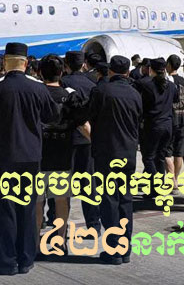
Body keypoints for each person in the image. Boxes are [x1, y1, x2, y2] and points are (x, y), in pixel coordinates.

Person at [0, 42, 60, 275]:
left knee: (5, 207)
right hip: (30, 155)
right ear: (26, 63)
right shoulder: (38, 89)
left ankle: (7, 260)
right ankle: (26, 258)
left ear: (5, 63)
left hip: (4, 155)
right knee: (27, 206)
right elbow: (52, 116)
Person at [89, 55, 142, 265]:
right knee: (125, 199)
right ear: (127, 72)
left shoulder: (101, 91)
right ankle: (125, 248)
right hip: (128, 152)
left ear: (110, 70)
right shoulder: (135, 94)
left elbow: (90, 116)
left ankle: (113, 248)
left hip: (107, 152)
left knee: (109, 200)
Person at [35, 55, 86, 257]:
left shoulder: (36, 94)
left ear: (40, 72)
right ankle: (60, 241)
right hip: (63, 155)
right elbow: (83, 125)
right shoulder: (70, 96)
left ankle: (35, 242)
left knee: (37, 202)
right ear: (62, 72)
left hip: (38, 155)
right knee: (62, 201)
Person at [61, 51, 101, 234]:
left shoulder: (63, 83)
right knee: (88, 183)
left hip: (67, 139)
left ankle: (57, 223)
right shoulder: (91, 84)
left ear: (66, 65)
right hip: (87, 138)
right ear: (83, 64)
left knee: (62, 185)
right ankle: (94, 224)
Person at [137, 58, 176, 197]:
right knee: (160, 157)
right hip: (167, 125)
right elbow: (176, 100)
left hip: (153, 125)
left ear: (150, 70)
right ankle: (156, 189)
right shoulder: (171, 86)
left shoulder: (145, 85)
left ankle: (156, 185)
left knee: (148, 158)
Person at [165, 54, 184, 187]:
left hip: (171, 118)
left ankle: (172, 180)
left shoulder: (168, 81)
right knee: (179, 152)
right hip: (182, 117)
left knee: (167, 151)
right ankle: (176, 178)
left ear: (169, 65)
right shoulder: (183, 80)